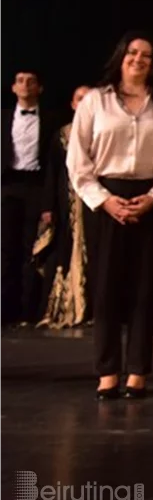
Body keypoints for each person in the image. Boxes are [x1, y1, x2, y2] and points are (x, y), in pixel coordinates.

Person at [66, 33, 153, 400]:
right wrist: (105, 200)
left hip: (149, 201)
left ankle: (138, 371)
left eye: (146, 55)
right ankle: (108, 371)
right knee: (107, 287)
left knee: (145, 289)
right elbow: (78, 162)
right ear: (121, 57)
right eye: (132, 52)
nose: (138, 59)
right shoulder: (96, 102)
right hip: (105, 200)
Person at [1, 69, 58, 326]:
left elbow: (53, 164)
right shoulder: (3, 118)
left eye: (31, 81)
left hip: (36, 186)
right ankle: (5, 311)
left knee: (31, 250)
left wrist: (48, 202)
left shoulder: (50, 120)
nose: (25, 85)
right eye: (20, 81)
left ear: (40, 88)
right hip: (8, 185)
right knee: (5, 249)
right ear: (13, 87)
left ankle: (27, 312)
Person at [41, 86, 93, 328]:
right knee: (67, 249)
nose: (84, 103)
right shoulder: (63, 134)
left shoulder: (106, 131)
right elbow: (53, 173)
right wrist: (48, 206)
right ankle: (68, 305)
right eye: (80, 99)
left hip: (98, 205)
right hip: (68, 204)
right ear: (72, 104)